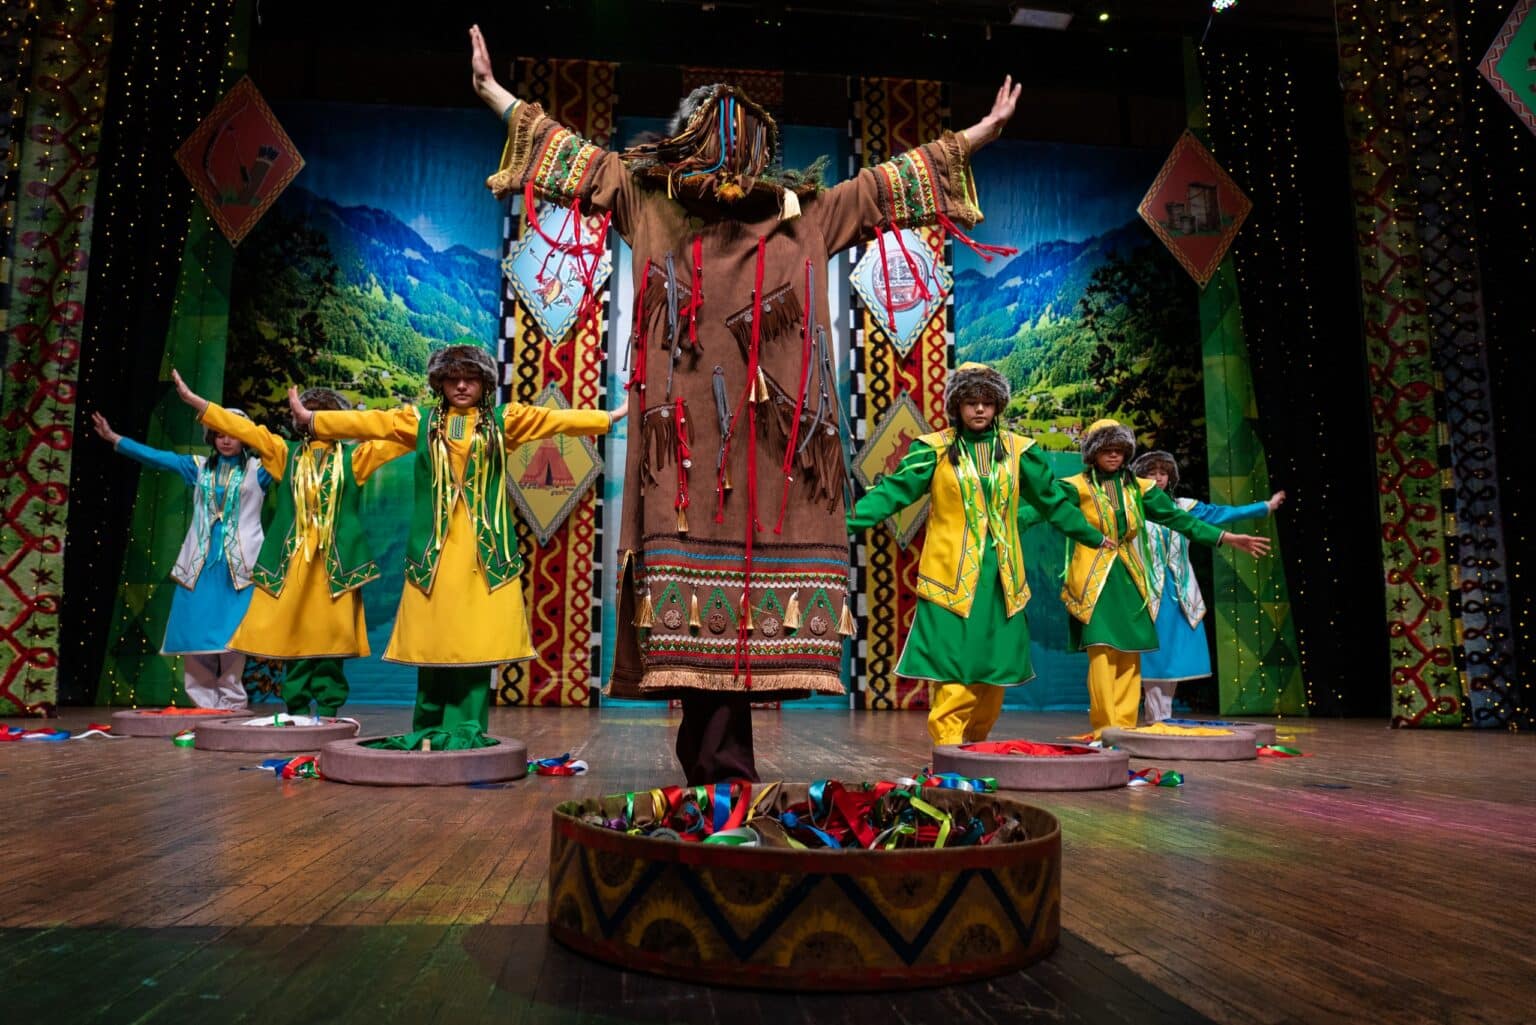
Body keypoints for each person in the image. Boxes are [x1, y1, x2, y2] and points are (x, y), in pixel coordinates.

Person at [470, 24, 1023, 783]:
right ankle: (721, 777)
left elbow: (894, 181)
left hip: (772, 463)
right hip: (690, 462)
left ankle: (721, 777)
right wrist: (496, 94)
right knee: (699, 640)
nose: (725, 156)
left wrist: (980, 134)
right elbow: (572, 157)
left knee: (733, 644)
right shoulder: (656, 201)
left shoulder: (801, 212)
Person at [290, 343, 626, 739]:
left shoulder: (504, 421)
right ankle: (429, 729)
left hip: (484, 554)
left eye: (470, 378)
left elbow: (554, 420)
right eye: (453, 378)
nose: (462, 385)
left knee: (474, 644)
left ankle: (466, 728)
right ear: (440, 382)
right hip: (433, 554)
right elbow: (372, 423)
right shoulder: (420, 421)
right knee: (433, 643)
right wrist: (313, 420)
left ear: (484, 383)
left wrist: (611, 416)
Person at [846, 364, 1110, 746]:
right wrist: (843, 524)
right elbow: (892, 493)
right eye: (971, 401)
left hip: (1002, 580)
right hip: (949, 579)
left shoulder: (1019, 452)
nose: (980, 409)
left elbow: (1052, 501)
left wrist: (1091, 535)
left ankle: (975, 748)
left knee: (992, 674)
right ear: (957, 405)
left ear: (998, 404)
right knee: (955, 668)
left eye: (987, 401)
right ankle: (951, 751)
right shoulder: (934, 450)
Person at [170, 370, 404, 719]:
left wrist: (435, 420)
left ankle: (329, 711)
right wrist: (197, 403)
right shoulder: (285, 454)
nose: (314, 423)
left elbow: (402, 436)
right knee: (294, 637)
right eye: (309, 415)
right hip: (293, 563)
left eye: (323, 417)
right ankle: (295, 708)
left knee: (333, 639)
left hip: (336, 566)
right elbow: (245, 430)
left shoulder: (354, 458)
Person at [1020, 419, 1270, 737]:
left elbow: (1179, 519)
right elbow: (1043, 509)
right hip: (1094, 579)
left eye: (1119, 449)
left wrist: (1226, 538)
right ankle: (1106, 728)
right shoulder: (1076, 486)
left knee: (1129, 654)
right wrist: (1006, 524)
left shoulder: (1140, 489)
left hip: (1131, 577)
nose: (1114, 455)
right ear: (1093, 453)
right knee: (1101, 651)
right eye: (1106, 449)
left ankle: (1125, 728)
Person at [90, 407, 269, 709]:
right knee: (194, 632)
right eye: (219, 434)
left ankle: (232, 702)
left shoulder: (259, 469)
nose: (226, 441)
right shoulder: (198, 467)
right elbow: (157, 457)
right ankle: (203, 704)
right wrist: (116, 439)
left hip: (239, 566)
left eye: (233, 434)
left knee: (233, 635)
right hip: (199, 564)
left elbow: (288, 459)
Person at [1129, 450, 1284, 723]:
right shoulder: (1132, 508)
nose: (1158, 478)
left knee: (1173, 661)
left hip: (1180, 593)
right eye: (1151, 473)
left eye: (1163, 473)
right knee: (1152, 660)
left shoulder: (1183, 508)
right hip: (1146, 594)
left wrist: (1265, 507)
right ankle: (1155, 718)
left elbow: (1221, 513)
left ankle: (1161, 718)